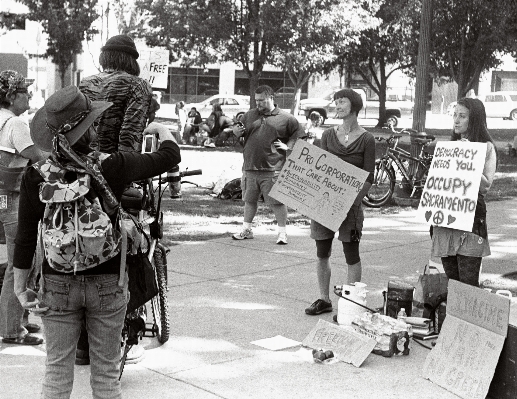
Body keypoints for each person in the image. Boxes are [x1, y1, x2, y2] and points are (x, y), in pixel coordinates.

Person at [12, 86, 181, 398]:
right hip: (108, 282)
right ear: (87, 129)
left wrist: (21, 287)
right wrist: (159, 128)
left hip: (57, 282)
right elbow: (170, 156)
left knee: (57, 372)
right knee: (106, 374)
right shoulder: (111, 166)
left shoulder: (37, 175)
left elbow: (24, 237)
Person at [305, 89, 375, 316]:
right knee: (322, 251)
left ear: (354, 106)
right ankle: (324, 299)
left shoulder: (367, 139)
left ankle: (352, 305)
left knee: (351, 253)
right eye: (336, 102)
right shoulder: (327, 136)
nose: (337, 105)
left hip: (351, 206)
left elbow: (368, 176)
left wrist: (352, 202)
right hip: (325, 204)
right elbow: (321, 168)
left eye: (342, 102)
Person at [0, 70, 46, 345]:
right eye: (25, 92)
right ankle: (11, 329)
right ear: (11, 96)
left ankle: (21, 318)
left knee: (30, 256)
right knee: (21, 260)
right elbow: (37, 157)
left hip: (3, 197)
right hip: (10, 198)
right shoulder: (15, 123)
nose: (29, 96)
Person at [431, 97, 497, 287]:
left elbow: (485, 187)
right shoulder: (449, 148)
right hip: (446, 220)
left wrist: (470, 160)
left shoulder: (487, 148)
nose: (456, 121)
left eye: (462, 116)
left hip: (471, 221)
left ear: (474, 119)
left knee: (467, 285)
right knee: (452, 284)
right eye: (455, 116)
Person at [232, 85, 304, 244]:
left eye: (262, 101)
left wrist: (288, 148)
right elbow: (238, 136)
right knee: (249, 200)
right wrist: (236, 133)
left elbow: (299, 137)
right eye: (256, 100)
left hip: (273, 169)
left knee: (277, 202)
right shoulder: (249, 115)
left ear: (271, 98)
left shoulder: (286, 118)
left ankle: (282, 233)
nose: (258, 104)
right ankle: (246, 230)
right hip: (250, 168)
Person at [79, 34, 153, 153]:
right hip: (112, 165)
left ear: (104, 57)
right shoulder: (138, 85)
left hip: (82, 162)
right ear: (131, 60)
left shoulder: (86, 83)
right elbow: (130, 135)